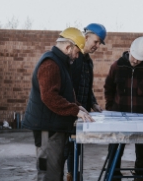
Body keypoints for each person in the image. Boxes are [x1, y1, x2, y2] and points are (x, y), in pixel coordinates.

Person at [22, 27, 94, 181]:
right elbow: (49, 96)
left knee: (50, 171)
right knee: (50, 173)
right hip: (47, 130)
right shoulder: (51, 64)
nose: (76, 57)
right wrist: (74, 110)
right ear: (68, 47)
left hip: (51, 127)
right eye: (76, 52)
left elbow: (62, 91)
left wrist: (77, 104)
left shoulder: (60, 62)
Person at [104, 36, 143, 181]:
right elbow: (109, 89)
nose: (136, 61)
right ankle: (114, 175)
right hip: (120, 116)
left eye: (140, 59)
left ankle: (140, 176)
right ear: (130, 50)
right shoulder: (116, 66)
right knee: (115, 149)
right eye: (135, 57)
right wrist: (111, 110)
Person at [65, 23, 107, 181]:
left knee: (77, 147)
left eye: (99, 43)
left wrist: (93, 103)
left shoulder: (88, 61)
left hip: (81, 112)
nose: (97, 46)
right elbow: (68, 86)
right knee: (67, 148)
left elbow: (87, 86)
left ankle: (74, 174)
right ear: (86, 37)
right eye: (96, 42)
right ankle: (71, 175)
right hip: (71, 111)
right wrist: (74, 108)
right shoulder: (73, 58)